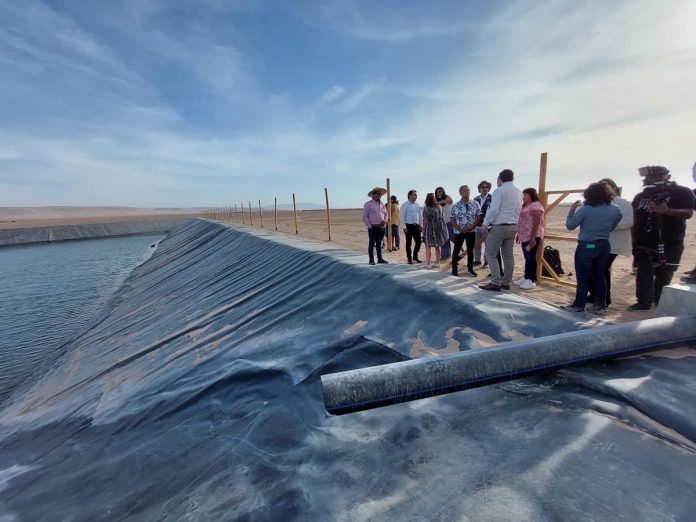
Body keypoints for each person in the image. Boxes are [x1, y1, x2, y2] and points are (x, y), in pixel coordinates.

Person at [628, 165, 695, 310]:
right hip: (644, 242)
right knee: (643, 273)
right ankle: (644, 302)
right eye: (647, 178)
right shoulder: (641, 196)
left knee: (664, 274)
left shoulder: (682, 192)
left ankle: (660, 302)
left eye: (655, 177)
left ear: (667, 177)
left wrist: (669, 211)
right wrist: (633, 237)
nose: (649, 181)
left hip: (670, 242)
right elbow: (634, 217)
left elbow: (688, 212)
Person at [563, 182, 622, 314]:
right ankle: (600, 305)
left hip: (588, 245)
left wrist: (572, 210)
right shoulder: (615, 209)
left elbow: (570, 226)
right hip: (604, 244)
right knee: (600, 276)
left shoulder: (586, 209)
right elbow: (613, 225)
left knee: (583, 277)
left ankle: (579, 305)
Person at [587, 178, 633, 306]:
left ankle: (604, 299)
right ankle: (594, 295)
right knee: (589, 267)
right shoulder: (596, 203)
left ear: (613, 188)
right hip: (594, 242)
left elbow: (628, 221)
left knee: (601, 269)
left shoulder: (622, 203)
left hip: (612, 244)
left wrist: (607, 225)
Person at [480, 169, 522, 291]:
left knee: (490, 253)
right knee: (508, 255)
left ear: (500, 178)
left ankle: (495, 282)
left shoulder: (500, 190)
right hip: (513, 226)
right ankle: (506, 282)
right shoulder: (518, 192)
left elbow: (494, 209)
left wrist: (485, 223)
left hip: (500, 226)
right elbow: (519, 210)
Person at [514, 188, 545, 290]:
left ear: (532, 195)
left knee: (531, 257)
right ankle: (526, 277)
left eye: (526, 195)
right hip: (524, 235)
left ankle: (531, 280)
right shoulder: (524, 206)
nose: (524, 197)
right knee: (527, 257)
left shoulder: (535, 205)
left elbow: (536, 223)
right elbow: (522, 221)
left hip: (533, 235)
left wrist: (532, 238)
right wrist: (519, 234)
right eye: (523, 195)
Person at [450, 185, 482, 277]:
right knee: (456, 249)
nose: (467, 192)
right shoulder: (456, 205)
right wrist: (459, 228)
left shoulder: (475, 203)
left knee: (470, 250)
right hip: (459, 232)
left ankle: (470, 269)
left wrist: (472, 226)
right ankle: (454, 268)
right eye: (465, 191)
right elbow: (452, 219)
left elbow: (479, 215)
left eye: (468, 190)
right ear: (460, 193)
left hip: (471, 231)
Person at [362, 187, 389, 265]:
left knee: (379, 243)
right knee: (372, 243)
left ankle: (380, 259)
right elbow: (365, 216)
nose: (379, 195)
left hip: (381, 227)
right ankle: (371, 260)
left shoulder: (382, 204)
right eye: (378, 194)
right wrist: (369, 226)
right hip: (373, 227)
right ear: (373, 194)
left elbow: (386, 214)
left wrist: (385, 220)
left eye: (380, 194)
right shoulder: (368, 204)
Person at [421, 193, 449, 268]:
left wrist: (423, 233)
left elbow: (425, 222)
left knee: (428, 246)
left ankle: (428, 264)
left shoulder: (426, 209)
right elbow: (442, 218)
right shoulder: (439, 207)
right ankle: (437, 263)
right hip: (438, 229)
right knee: (437, 246)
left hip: (429, 230)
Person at [400, 189, 423, 264]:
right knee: (408, 243)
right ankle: (409, 258)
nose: (416, 196)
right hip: (408, 226)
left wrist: (421, 225)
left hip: (416, 226)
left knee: (419, 242)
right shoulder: (405, 205)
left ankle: (415, 257)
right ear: (410, 195)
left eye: (416, 195)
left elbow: (420, 216)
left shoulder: (417, 205)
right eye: (414, 195)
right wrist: (404, 227)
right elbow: (402, 217)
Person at [473, 180, 492, 266]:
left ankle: (486, 261)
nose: (485, 189)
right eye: (483, 187)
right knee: (477, 243)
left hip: (488, 226)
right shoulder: (475, 199)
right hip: (477, 225)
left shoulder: (492, 198)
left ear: (488, 189)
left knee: (488, 245)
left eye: (486, 187)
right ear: (479, 189)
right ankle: (477, 260)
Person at [435, 187, 452, 259]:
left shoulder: (447, 197)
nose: (439, 193)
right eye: (437, 192)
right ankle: (446, 255)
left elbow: (450, 200)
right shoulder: (435, 200)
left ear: (443, 192)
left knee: (453, 237)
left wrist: (438, 202)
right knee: (444, 240)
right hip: (440, 223)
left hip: (449, 222)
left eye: (440, 192)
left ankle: (459, 247)